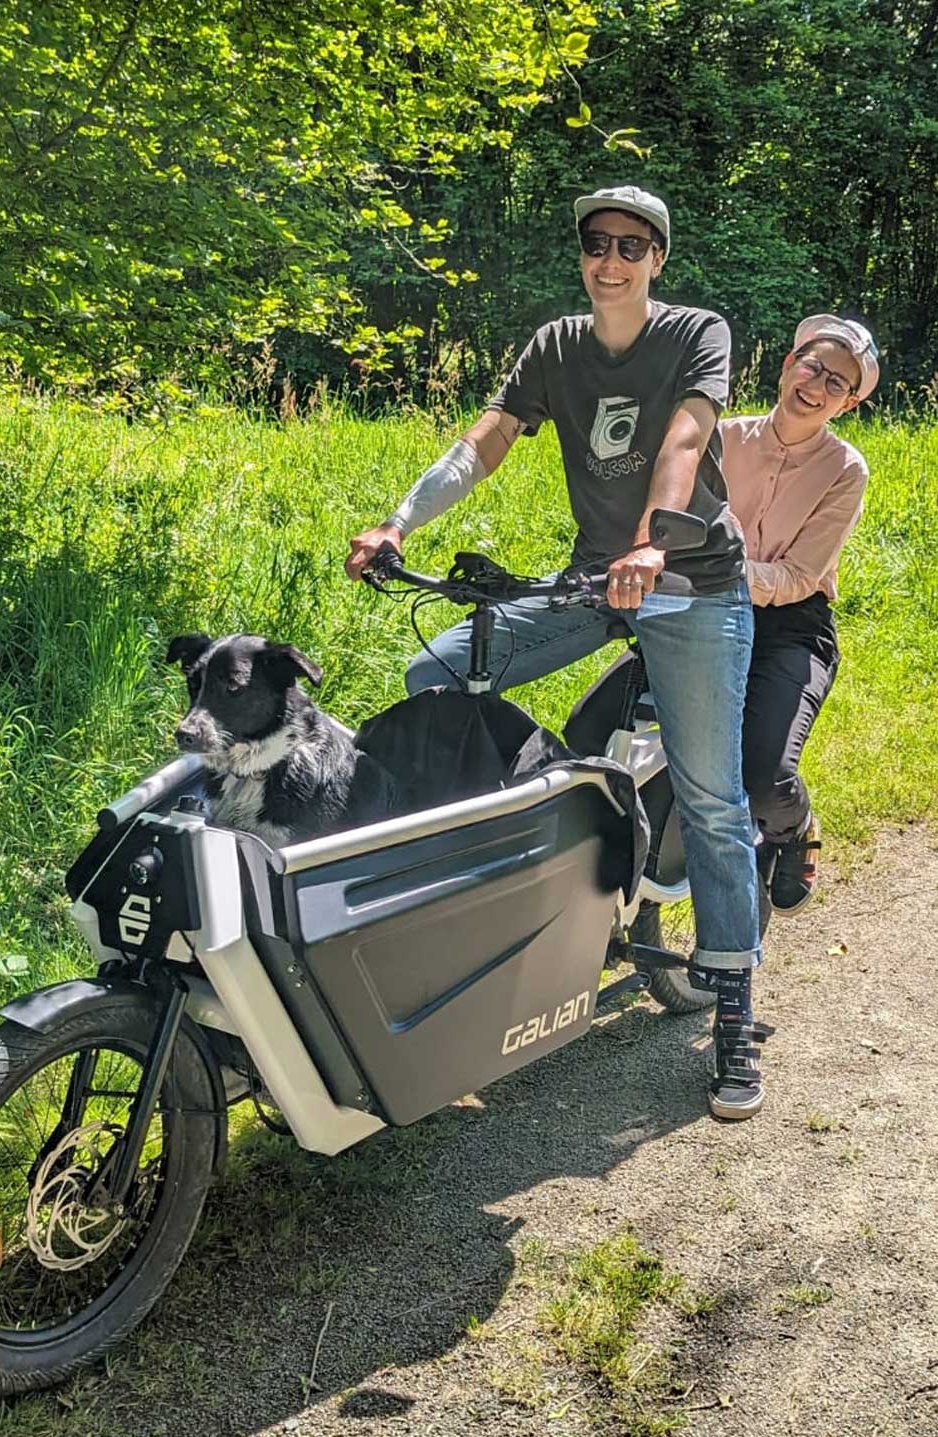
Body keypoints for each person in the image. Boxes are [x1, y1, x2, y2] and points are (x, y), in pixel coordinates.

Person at [346, 186, 771, 1121]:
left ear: (657, 258)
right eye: (595, 244)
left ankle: (735, 1005)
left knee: (711, 793)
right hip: (592, 579)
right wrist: (399, 522)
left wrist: (657, 537)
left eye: (631, 246)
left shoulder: (698, 330)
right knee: (440, 672)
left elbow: (685, 436)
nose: (610, 260)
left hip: (690, 581)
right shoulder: (555, 345)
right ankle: (495, 890)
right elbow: (489, 438)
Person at [721, 315, 878, 915]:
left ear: (849, 403)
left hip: (790, 626)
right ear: (789, 365)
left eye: (838, 383)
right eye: (813, 365)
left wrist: (722, 570)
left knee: (763, 770)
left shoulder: (844, 470)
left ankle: (793, 827)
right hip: (698, 608)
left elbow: (798, 577)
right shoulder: (721, 436)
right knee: (598, 728)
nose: (819, 383)